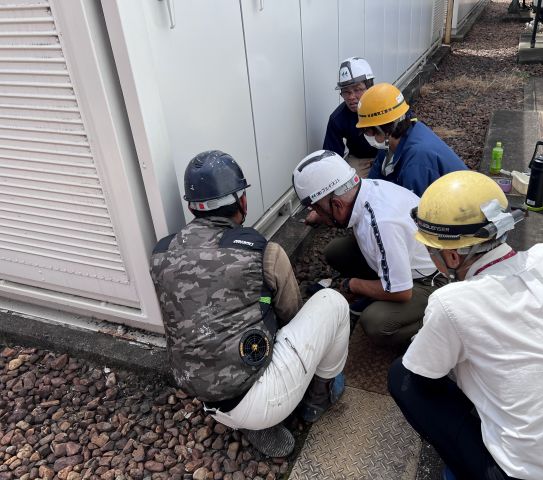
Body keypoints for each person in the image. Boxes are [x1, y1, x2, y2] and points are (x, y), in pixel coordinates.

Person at [388, 170, 543, 479]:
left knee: (404, 377)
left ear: (452, 257)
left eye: (431, 249)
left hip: (533, 476)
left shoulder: (451, 303)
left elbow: (424, 376)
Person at [150, 150, 350, 457]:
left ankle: (246, 420)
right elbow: (292, 315)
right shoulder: (262, 251)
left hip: (202, 395)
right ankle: (316, 399)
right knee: (332, 301)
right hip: (265, 395)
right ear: (242, 201)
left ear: (192, 206)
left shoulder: (160, 253)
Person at [293, 149, 444, 348]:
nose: (316, 212)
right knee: (336, 252)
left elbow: (402, 291)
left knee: (375, 322)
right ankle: (379, 288)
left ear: (336, 204)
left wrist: (353, 285)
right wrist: (322, 216)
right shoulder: (365, 189)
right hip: (407, 258)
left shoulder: (383, 223)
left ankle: (437, 325)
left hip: (430, 280)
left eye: (317, 208)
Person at [356, 82, 467, 197]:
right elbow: (374, 181)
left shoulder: (417, 159)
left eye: (367, 131)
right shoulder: (395, 139)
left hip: (459, 203)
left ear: (385, 129)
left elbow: (412, 205)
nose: (366, 135)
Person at [323, 57, 378, 175]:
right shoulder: (337, 118)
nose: (351, 97)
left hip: (389, 154)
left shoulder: (386, 103)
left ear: (370, 87)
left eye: (357, 89)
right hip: (361, 160)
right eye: (346, 92)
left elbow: (404, 134)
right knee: (351, 183)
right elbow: (331, 158)